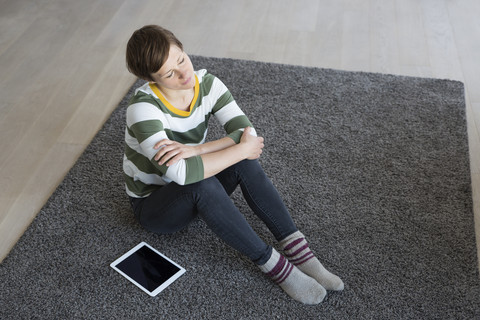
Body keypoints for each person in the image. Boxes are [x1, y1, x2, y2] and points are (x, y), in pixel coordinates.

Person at [123, 25, 344, 304]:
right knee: (204, 179)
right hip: (154, 207)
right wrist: (238, 147)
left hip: (193, 175)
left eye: (181, 59)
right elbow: (180, 174)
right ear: (149, 78)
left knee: (244, 162)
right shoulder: (142, 108)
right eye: (169, 74)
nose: (184, 74)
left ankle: (301, 253)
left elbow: (246, 133)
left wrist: (196, 149)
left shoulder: (208, 84)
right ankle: (276, 267)